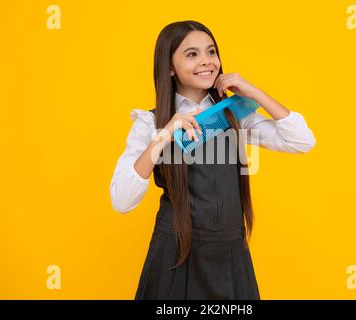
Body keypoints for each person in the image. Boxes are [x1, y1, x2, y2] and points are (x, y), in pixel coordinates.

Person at [110, 20, 316, 300]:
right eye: (192, 54)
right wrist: (163, 136)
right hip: (174, 255)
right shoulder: (151, 122)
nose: (206, 62)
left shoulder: (234, 114)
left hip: (228, 254)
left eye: (211, 52)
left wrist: (254, 92)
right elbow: (122, 200)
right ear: (169, 66)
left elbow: (302, 141)